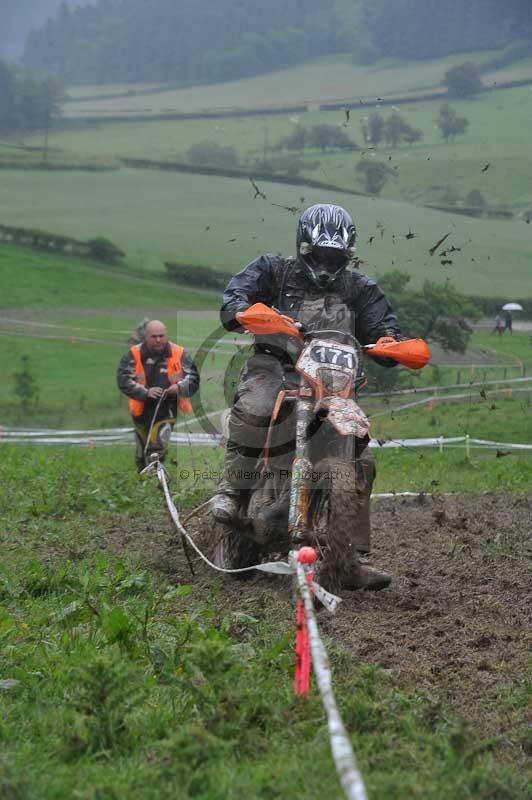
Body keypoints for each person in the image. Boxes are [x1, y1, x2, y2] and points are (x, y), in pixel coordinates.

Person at [212, 203, 404, 590]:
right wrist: (247, 311)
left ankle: (349, 558)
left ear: (347, 254)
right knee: (256, 408)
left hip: (332, 382)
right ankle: (233, 491)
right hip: (275, 370)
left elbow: (385, 327)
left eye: (335, 257)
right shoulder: (273, 270)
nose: (326, 263)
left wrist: (391, 343)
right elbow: (234, 301)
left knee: (361, 459)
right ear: (303, 247)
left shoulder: (360, 289)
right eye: (319, 255)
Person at [117, 320, 199, 472]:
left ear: (166, 335)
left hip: (168, 407)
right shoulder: (133, 354)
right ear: (146, 337)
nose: (158, 340)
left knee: (158, 445)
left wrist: (179, 387)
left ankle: (157, 477)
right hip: (141, 408)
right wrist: (145, 392)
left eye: (161, 336)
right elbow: (123, 380)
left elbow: (193, 378)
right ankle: (143, 477)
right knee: (142, 449)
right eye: (154, 336)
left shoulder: (179, 353)